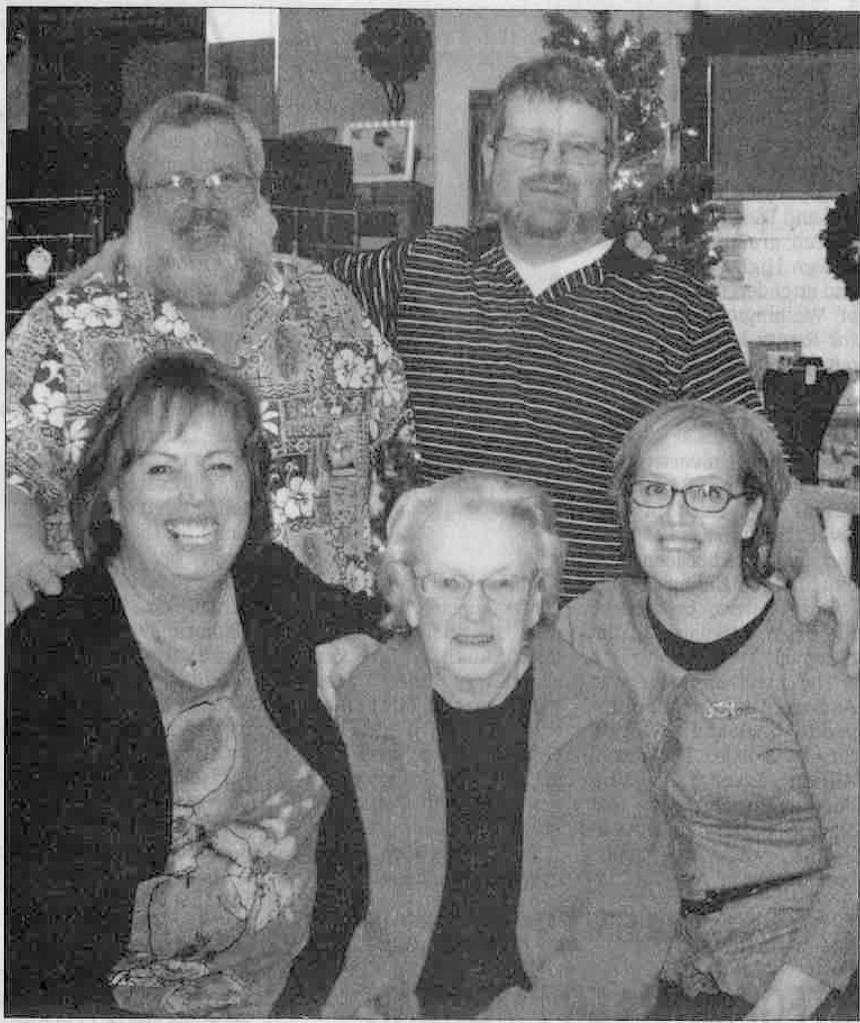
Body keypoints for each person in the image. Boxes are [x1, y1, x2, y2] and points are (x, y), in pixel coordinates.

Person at [327, 52, 858, 660]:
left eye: (579, 150)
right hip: (437, 651)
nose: (552, 168)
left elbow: (760, 467)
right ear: (488, 158)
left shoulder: (677, 307)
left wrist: (816, 564)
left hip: (604, 664)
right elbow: (284, 300)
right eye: (530, 144)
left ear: (610, 171)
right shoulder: (417, 270)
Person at [6, 352, 375, 1017]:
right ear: (113, 495)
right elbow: (32, 941)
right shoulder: (49, 650)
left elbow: (404, 631)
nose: (195, 497)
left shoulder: (275, 588)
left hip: (310, 994)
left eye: (219, 466)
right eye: (161, 468)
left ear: (249, 487)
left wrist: (368, 645)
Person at [4, 89, 414, 625]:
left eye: (226, 179)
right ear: (137, 198)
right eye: (174, 184)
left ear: (258, 191)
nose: (203, 203)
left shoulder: (324, 303)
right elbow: (12, 469)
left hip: (329, 651)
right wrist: (16, 549)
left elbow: (398, 453)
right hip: (136, 670)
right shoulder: (63, 329)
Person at [323, 471, 678, 1019]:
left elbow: (629, 925)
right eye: (447, 583)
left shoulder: (595, 712)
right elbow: (336, 910)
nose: (475, 609)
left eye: (503, 583)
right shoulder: (368, 705)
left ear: (537, 598)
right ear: (410, 598)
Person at [556, 401, 858, 1020]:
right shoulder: (590, 627)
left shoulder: (812, 646)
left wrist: (784, 1007)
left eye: (708, 493)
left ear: (750, 517)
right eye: (655, 489)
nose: (675, 516)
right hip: (644, 972)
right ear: (629, 507)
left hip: (799, 976)